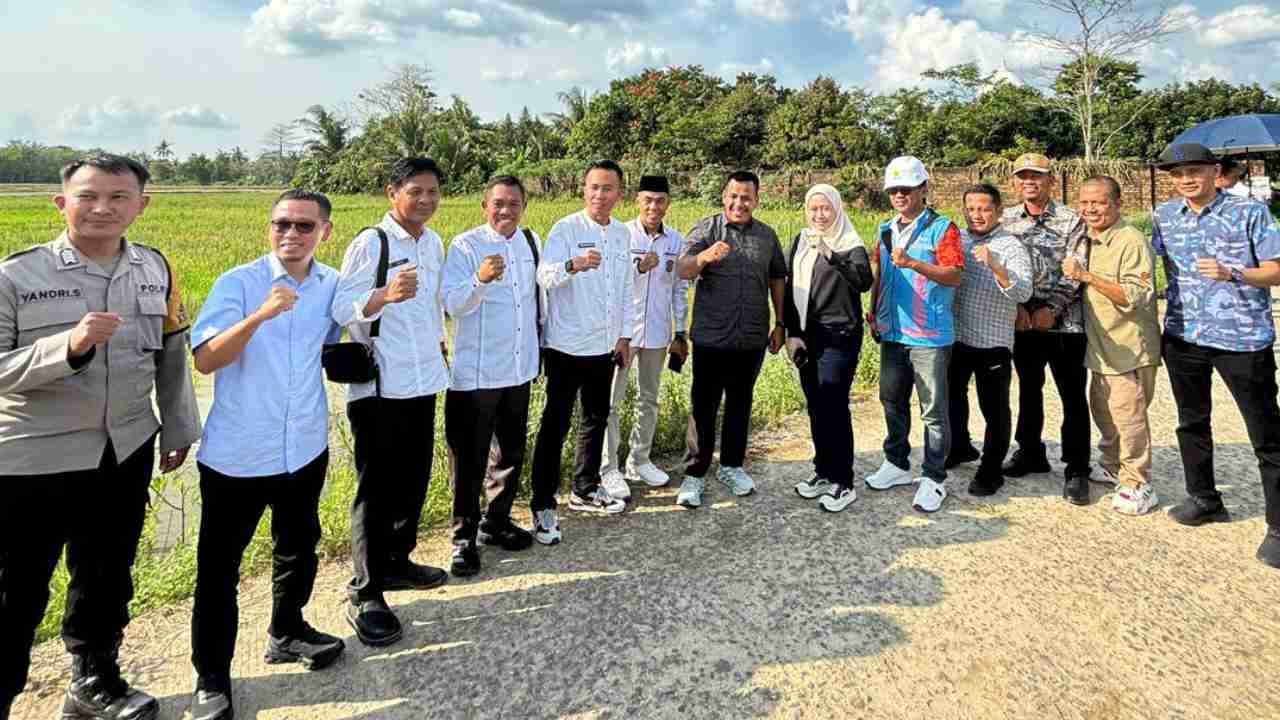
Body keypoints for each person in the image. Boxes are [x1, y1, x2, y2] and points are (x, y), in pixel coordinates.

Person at [0, 154, 201, 720]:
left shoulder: (155, 269)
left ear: (142, 204)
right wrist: (67, 347)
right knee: (16, 592)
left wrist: (177, 427)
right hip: (31, 459)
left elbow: (171, 354)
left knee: (107, 574)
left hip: (125, 451)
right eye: (87, 196)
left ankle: (94, 680)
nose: (102, 208)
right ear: (60, 202)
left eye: (118, 197)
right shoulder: (16, 276)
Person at [186, 190, 344, 720]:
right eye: (282, 224)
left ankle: (287, 630)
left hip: (303, 446)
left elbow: (350, 329)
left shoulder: (331, 283)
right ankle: (211, 677)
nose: (291, 235)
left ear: (325, 230)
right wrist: (261, 314)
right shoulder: (241, 282)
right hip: (239, 455)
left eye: (304, 226)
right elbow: (207, 359)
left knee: (298, 548)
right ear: (268, 228)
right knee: (218, 570)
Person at [332, 157, 451, 647]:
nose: (425, 200)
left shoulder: (434, 242)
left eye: (433, 192)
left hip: (423, 379)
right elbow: (342, 306)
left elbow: (434, 306)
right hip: (381, 385)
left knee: (413, 478)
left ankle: (398, 561)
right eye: (416, 191)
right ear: (392, 193)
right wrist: (382, 295)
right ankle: (365, 590)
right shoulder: (372, 242)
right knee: (375, 489)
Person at [1151, 142, 1280, 568]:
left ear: (1214, 171)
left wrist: (1235, 272)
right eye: (1178, 173)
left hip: (1242, 339)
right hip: (1185, 336)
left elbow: (1277, 270)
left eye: (1195, 170)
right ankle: (1204, 498)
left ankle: (1278, 526)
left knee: (1266, 436)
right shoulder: (1164, 216)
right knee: (1191, 422)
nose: (1187, 179)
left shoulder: (1250, 213)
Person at [529, 160, 635, 542]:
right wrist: (572, 265)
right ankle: (542, 503)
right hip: (566, 345)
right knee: (555, 424)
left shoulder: (622, 234)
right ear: (583, 190)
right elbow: (544, 276)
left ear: (619, 193)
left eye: (608, 189)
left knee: (596, 417)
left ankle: (585, 488)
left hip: (603, 345)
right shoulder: (566, 228)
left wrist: (624, 337)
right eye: (593, 188)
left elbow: (625, 289)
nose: (600, 195)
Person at [441, 176, 539, 575]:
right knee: (469, 458)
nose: (505, 211)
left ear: (523, 207)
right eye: (498, 203)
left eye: (513, 204)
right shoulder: (465, 246)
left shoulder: (531, 242)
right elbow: (452, 305)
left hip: (518, 367)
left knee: (511, 452)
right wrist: (479, 279)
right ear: (485, 206)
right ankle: (463, 539)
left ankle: (496, 522)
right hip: (477, 374)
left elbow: (538, 301)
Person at [675, 170, 787, 508]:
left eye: (747, 197)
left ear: (757, 199)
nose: (740, 202)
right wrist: (704, 257)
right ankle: (694, 473)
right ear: (724, 197)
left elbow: (777, 278)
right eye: (734, 196)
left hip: (751, 336)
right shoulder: (707, 229)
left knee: (741, 403)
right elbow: (681, 268)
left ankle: (732, 466)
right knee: (703, 405)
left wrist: (780, 323)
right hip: (711, 337)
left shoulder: (767, 236)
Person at [864, 156, 965, 513]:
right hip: (893, 332)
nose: (899, 195)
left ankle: (934, 478)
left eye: (906, 189)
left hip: (929, 335)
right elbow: (880, 271)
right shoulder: (885, 229)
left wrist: (916, 263)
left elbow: (954, 275)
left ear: (924, 189)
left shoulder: (943, 228)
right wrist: (874, 309)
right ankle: (897, 463)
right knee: (891, 399)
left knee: (933, 411)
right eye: (894, 190)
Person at [1062, 176, 1161, 516]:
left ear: (1117, 204)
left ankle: (1137, 481)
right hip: (1100, 347)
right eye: (1085, 202)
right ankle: (1110, 463)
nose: (1091, 209)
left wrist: (1086, 276)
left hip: (1128, 347)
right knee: (1102, 410)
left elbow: (1135, 296)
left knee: (1129, 418)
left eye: (1099, 202)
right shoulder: (1088, 237)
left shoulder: (1130, 240)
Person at [1000, 152, 1093, 505]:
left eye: (1036, 176)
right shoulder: (1006, 220)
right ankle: (1030, 451)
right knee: (1028, 388)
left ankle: (1076, 468)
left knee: (1072, 395)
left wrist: (1052, 309)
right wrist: (1019, 309)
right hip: (1022, 322)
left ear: (1050, 181)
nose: (1029, 182)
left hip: (1065, 324)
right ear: (1015, 182)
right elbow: (1003, 267)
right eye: (1023, 176)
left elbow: (1078, 268)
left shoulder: (1072, 219)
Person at [784, 184, 873, 512]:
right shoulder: (800, 241)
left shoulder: (850, 244)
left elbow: (864, 281)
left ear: (837, 209)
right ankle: (823, 471)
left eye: (826, 209)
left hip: (840, 337)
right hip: (808, 338)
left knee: (834, 405)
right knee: (816, 405)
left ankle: (843, 481)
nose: (820, 215)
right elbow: (791, 286)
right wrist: (792, 332)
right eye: (814, 209)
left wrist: (831, 255)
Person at [600, 174, 689, 498]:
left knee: (649, 399)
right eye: (648, 200)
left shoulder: (675, 241)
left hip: (657, 331)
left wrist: (680, 331)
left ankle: (639, 460)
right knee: (612, 401)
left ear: (667, 203)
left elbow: (679, 288)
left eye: (660, 200)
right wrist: (639, 268)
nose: (654, 206)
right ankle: (608, 468)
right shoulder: (621, 235)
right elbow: (611, 285)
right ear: (636, 201)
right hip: (624, 333)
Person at [947, 184, 1032, 496]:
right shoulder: (959, 239)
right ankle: (959, 447)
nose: (977, 215)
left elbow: (1023, 292)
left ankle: (991, 468)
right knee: (953, 398)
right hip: (958, 336)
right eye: (971, 209)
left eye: (983, 209)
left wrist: (997, 265)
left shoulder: (1011, 246)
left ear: (998, 211)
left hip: (992, 342)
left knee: (994, 409)